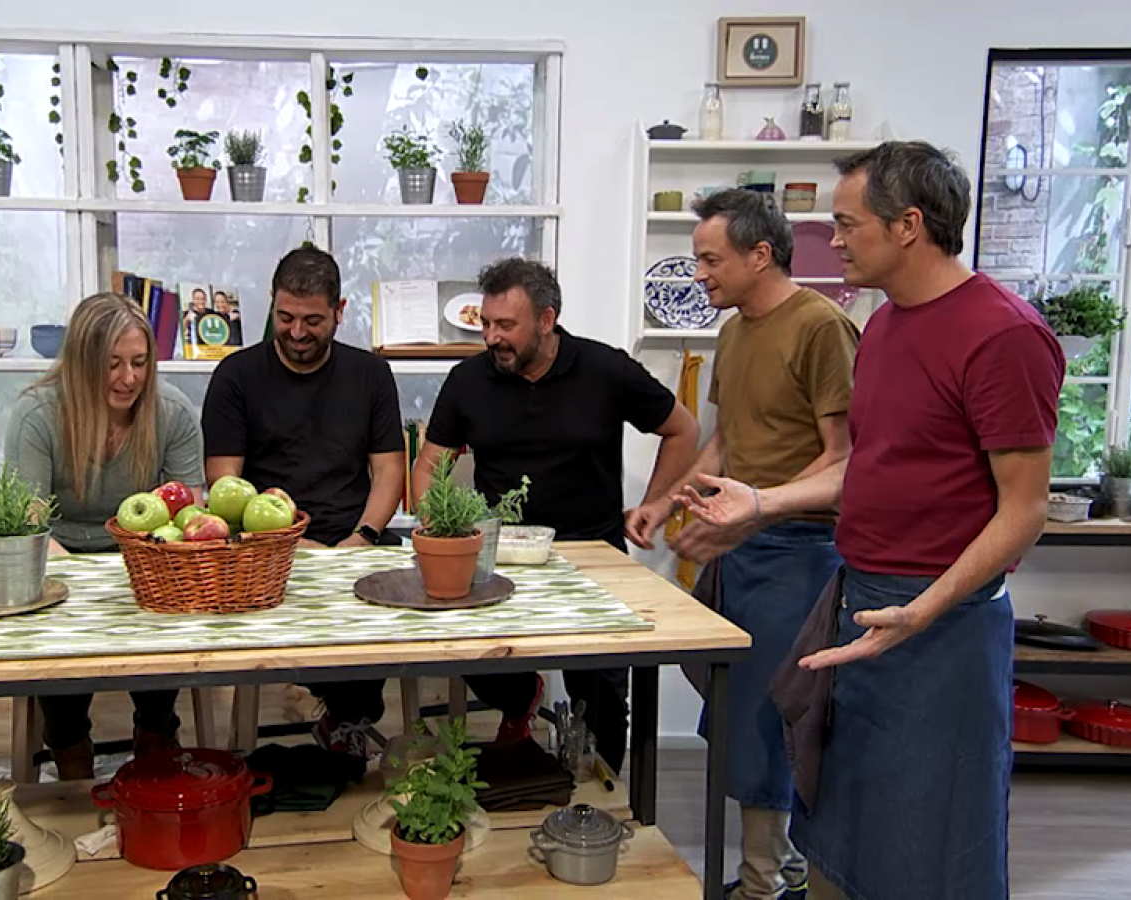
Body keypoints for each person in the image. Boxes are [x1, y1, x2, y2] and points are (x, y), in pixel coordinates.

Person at [678, 142, 1063, 900]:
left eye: (848, 225)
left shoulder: (1004, 335)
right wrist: (762, 502)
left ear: (908, 225)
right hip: (857, 598)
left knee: (928, 837)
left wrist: (924, 608)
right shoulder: (885, 325)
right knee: (835, 825)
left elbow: (1025, 509)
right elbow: (867, 464)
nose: (833, 241)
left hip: (941, 625)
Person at [628, 189, 858, 900]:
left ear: (761, 255)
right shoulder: (732, 332)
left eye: (710, 259)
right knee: (734, 709)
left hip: (803, 551)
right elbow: (723, 444)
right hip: (743, 548)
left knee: (768, 719)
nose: (699, 274)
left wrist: (758, 511)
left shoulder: (821, 326)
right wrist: (665, 501)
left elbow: (845, 456)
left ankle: (762, 885)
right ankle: (783, 868)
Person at [411, 257, 699, 774]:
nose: (492, 337)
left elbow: (683, 430)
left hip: (594, 552)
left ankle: (605, 796)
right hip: (500, 556)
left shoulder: (605, 369)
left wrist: (657, 503)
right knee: (472, 657)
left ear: (547, 320)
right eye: (486, 324)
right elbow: (431, 462)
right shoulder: (467, 379)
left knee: (602, 693)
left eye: (506, 325)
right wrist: (437, 523)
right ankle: (522, 698)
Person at [201, 246, 406, 758]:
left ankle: (347, 717)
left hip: (355, 538)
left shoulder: (370, 375)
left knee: (391, 590)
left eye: (312, 320)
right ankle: (345, 718)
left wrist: (363, 538)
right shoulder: (235, 376)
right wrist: (286, 545)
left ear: (340, 311)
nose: (296, 332)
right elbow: (225, 487)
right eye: (285, 317)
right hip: (266, 547)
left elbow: (389, 471)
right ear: (272, 304)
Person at [5, 291, 206, 779]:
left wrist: (147, 569)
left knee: (166, 627)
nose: (129, 378)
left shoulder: (173, 412)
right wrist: (81, 584)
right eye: (112, 364)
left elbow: (191, 516)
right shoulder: (37, 415)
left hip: (146, 557)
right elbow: (29, 524)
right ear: (80, 363)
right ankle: (71, 759)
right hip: (58, 561)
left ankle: (156, 745)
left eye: (139, 362)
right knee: (59, 652)